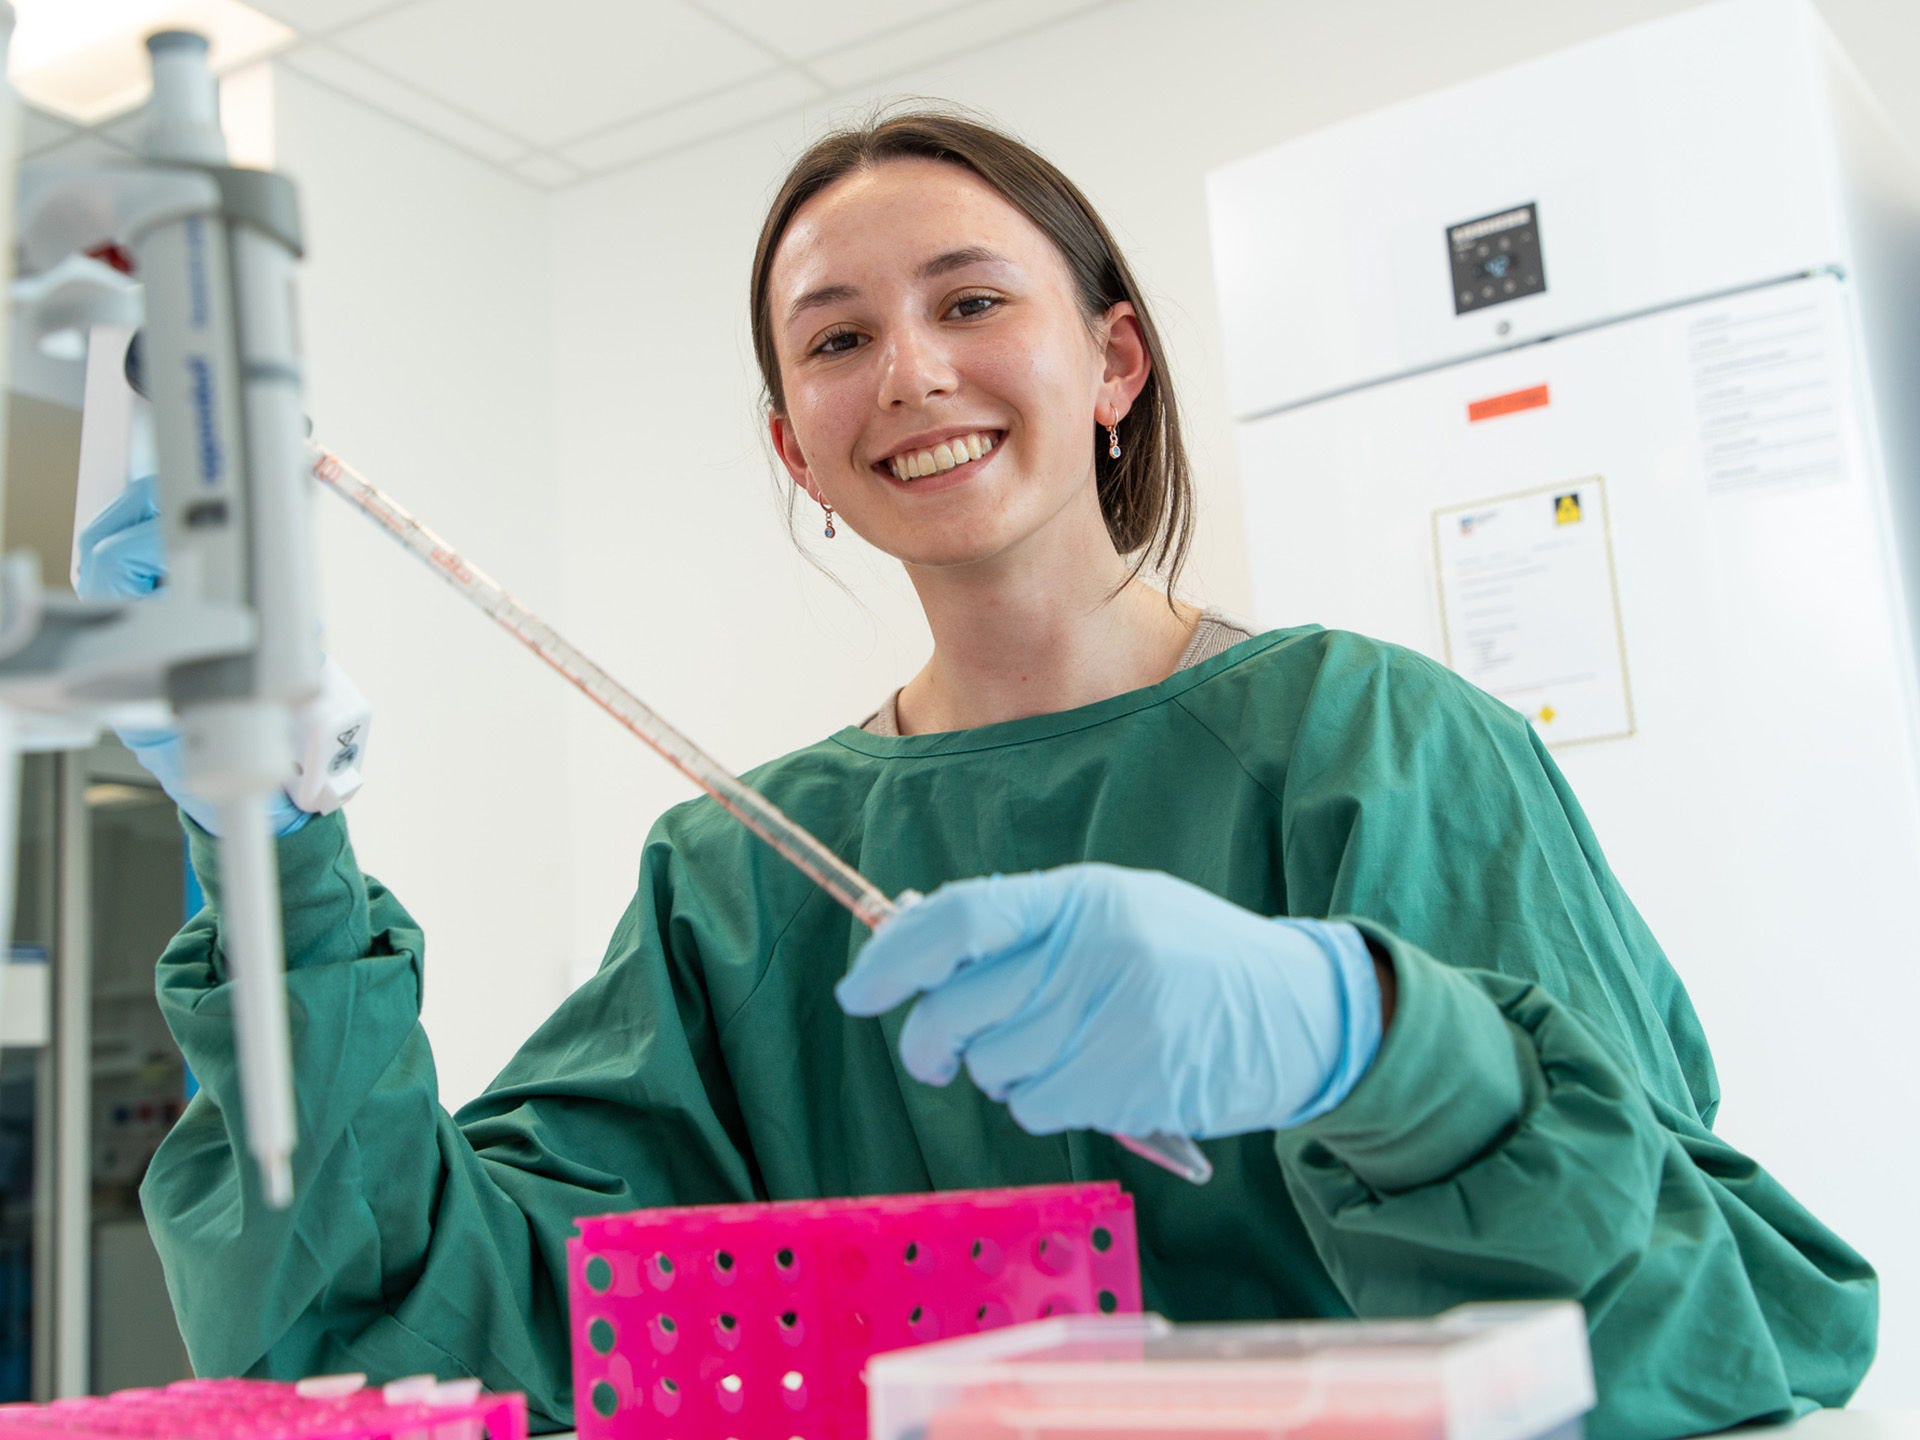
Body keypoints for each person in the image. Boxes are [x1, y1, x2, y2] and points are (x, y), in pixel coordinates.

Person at [79, 111, 1873, 1439]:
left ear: (1112, 356)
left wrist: (1375, 1040)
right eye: (838, 338)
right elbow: (414, 1323)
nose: (912, 372)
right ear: (797, 445)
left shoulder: (1380, 744)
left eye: (969, 299)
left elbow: (1708, 1328)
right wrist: (269, 833)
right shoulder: (737, 871)